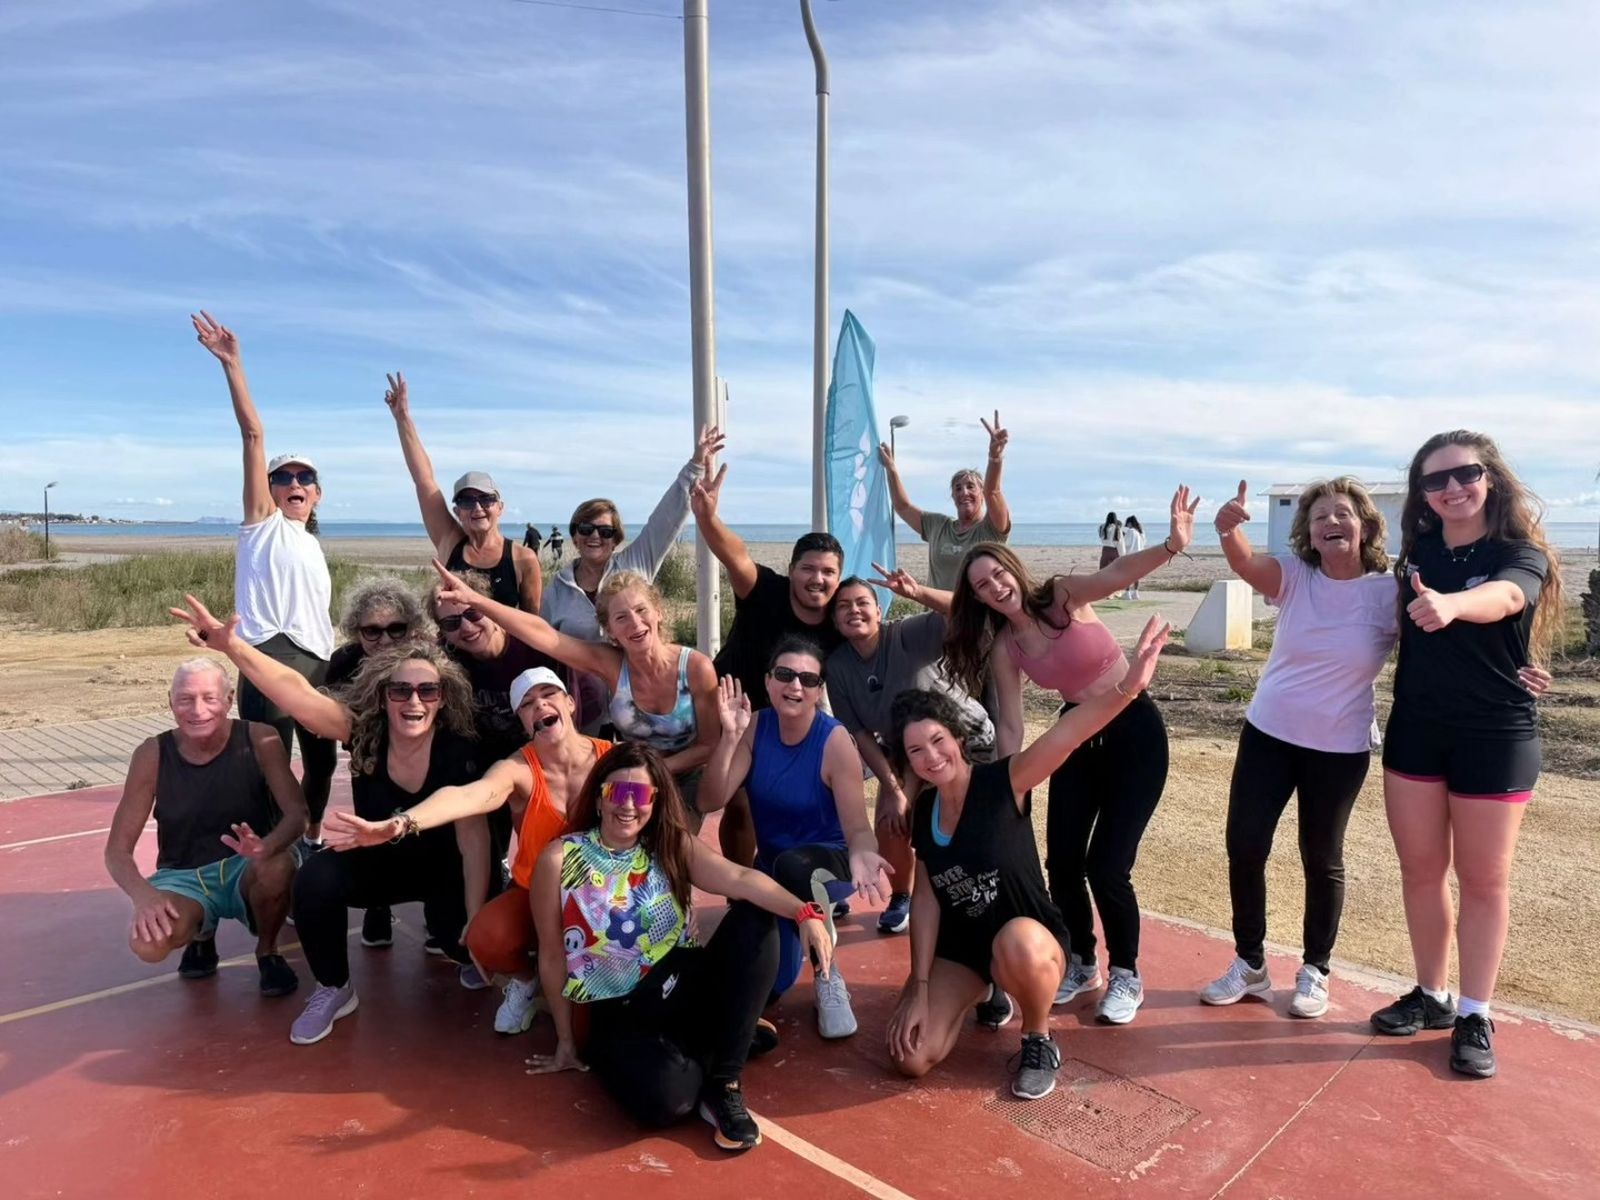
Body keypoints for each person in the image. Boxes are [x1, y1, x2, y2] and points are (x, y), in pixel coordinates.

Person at [170, 596, 492, 1045]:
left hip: (444, 868)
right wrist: (232, 647)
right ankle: (334, 987)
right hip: (381, 862)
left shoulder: (458, 747)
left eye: (427, 691)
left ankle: (464, 942)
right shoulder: (363, 731)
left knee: (462, 943)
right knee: (315, 877)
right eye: (400, 691)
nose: (413, 700)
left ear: (443, 697)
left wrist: (476, 921)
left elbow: (474, 841)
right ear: (382, 695)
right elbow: (296, 691)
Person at [943, 485, 1201, 1026]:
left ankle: (1126, 971)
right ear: (979, 598)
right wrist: (1008, 785)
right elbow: (1010, 724)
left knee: (1108, 865)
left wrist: (1171, 547)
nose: (995, 587)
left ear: (1013, 570)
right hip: (1077, 734)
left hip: (1134, 729)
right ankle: (1082, 961)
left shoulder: (1062, 595)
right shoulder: (1006, 647)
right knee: (1062, 860)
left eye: (998, 575)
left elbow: (1118, 574)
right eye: (982, 586)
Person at [888, 616, 1171, 1100]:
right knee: (909, 1057)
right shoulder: (925, 811)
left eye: (937, 741)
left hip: (1028, 941)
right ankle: (985, 988)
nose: (931, 757)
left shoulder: (1005, 782)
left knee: (1017, 942)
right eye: (916, 751)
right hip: (965, 952)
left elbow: (1068, 734)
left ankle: (1037, 1038)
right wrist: (919, 984)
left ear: (957, 738)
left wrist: (1128, 687)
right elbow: (928, 899)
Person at [524, 743, 834, 1153]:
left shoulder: (670, 845)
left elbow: (740, 878)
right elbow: (551, 955)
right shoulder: (560, 858)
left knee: (756, 917)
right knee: (668, 1102)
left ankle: (725, 1081)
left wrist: (805, 913)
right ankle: (726, 1036)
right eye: (617, 792)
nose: (628, 805)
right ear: (598, 797)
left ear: (654, 802)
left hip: (684, 984)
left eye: (641, 795)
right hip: (623, 1011)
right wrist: (565, 1042)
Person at [1371, 431, 1563, 1079]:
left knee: (1483, 880)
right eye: (1435, 480)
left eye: (1466, 474)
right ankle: (1433, 996)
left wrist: (1452, 604)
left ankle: (1476, 1013)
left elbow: (1508, 597)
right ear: (1422, 494)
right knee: (1420, 870)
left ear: (1491, 478)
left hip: (1495, 733)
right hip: (1416, 730)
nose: (1452, 488)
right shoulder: (1418, 554)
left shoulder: (1519, 553)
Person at [324, 667, 608, 1036]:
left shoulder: (613, 760)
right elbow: (467, 797)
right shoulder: (516, 769)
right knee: (486, 938)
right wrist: (401, 823)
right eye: (527, 704)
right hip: (535, 891)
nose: (539, 706)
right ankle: (527, 980)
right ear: (522, 721)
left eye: (548, 695)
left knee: (590, 1031)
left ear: (569, 703)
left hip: (602, 894)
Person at [700, 639, 893, 1040]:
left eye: (808, 679)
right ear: (768, 682)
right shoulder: (755, 727)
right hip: (773, 869)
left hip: (827, 865)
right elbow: (710, 800)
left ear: (819, 690)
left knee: (794, 866)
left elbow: (858, 827)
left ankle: (827, 974)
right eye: (785, 675)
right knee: (764, 982)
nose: (795, 686)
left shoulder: (834, 740)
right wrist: (730, 737)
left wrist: (864, 853)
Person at [193, 311, 337, 843]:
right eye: (283, 476)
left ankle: (310, 841)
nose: (294, 482)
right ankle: (269, 858)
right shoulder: (262, 526)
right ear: (270, 489)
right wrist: (232, 364)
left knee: (322, 764)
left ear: (317, 493)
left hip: (317, 658)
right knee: (269, 767)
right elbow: (253, 434)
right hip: (268, 654)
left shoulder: (312, 544)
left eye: (305, 477)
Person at [434, 563, 717, 812]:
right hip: (635, 775)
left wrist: (654, 770)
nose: (635, 623)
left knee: (673, 844)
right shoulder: (611, 664)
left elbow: (709, 745)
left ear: (659, 613)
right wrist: (475, 601)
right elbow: (544, 635)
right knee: (603, 835)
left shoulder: (695, 668)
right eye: (621, 618)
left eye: (641, 610)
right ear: (610, 630)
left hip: (686, 778)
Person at [104, 659, 306, 997]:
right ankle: (201, 933)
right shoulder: (152, 754)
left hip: (247, 865)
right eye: (185, 699)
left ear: (229, 699)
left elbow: (298, 814)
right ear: (170, 702)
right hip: (183, 875)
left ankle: (268, 950)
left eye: (209, 698)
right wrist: (144, 897)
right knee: (148, 945)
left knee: (277, 866)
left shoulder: (260, 738)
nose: (197, 710)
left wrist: (267, 845)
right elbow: (116, 851)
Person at [690, 462, 846, 865]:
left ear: (839, 577)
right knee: (739, 804)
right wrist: (707, 518)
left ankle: (790, 873)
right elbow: (734, 554)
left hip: (789, 719)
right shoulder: (764, 590)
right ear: (792, 570)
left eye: (828, 572)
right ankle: (739, 887)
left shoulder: (839, 621)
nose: (817, 578)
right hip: (732, 708)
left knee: (791, 799)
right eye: (808, 568)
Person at [826, 571, 995, 938]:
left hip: (964, 741)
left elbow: (968, 610)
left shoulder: (908, 634)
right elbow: (860, 735)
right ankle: (902, 895)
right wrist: (894, 788)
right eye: (843, 606)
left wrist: (917, 592)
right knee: (891, 818)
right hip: (905, 751)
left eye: (862, 602)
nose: (853, 610)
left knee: (958, 820)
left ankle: (971, 898)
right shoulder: (838, 667)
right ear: (834, 619)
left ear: (879, 610)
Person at [542, 426, 724, 732]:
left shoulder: (635, 563)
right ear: (574, 536)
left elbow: (665, 520)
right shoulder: (557, 590)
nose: (595, 536)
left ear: (616, 539)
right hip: (585, 711)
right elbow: (545, 645)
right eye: (586, 529)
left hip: (641, 707)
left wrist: (695, 465)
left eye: (605, 531)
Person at [324, 576, 439, 949]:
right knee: (371, 819)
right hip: (370, 753)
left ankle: (439, 907)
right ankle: (378, 906)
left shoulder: (428, 658)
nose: (385, 639)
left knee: (431, 823)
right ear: (356, 631)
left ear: (412, 627)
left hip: (422, 753)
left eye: (396, 629)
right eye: (372, 631)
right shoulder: (344, 662)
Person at [384, 371, 542, 611]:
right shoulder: (450, 542)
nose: (477, 507)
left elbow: (533, 623)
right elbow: (424, 480)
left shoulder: (523, 558)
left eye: (486, 499)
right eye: (467, 501)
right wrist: (403, 418)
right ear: (457, 511)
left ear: (500, 507)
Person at [878, 412, 1012, 590]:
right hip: (936, 607)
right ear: (953, 496)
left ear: (982, 493)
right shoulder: (938, 526)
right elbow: (902, 507)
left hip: (974, 609)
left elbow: (993, 492)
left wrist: (995, 456)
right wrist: (891, 469)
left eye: (971, 486)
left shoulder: (991, 529)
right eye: (958, 488)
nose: (964, 492)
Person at [1120, 516, 1146, 600]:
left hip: (1130, 555)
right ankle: (1136, 593)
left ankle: (1127, 593)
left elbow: (1125, 543)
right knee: (1136, 575)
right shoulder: (1140, 532)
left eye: (1127, 524)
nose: (1126, 525)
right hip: (1139, 556)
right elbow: (1143, 544)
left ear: (1130, 523)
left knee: (1127, 575)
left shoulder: (1131, 531)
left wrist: (1123, 535)